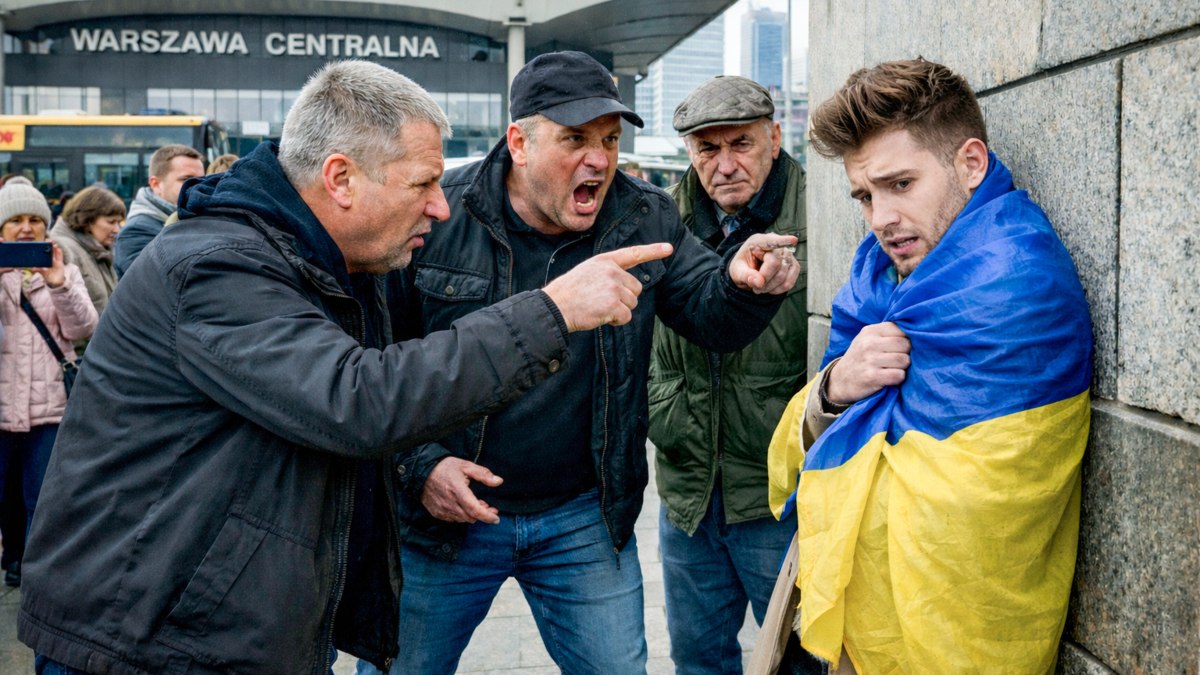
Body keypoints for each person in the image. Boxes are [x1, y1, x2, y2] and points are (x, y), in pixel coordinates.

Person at [18, 59, 674, 675]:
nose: (440, 205)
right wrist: (551, 312)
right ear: (340, 179)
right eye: (421, 184)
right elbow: (358, 398)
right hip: (148, 642)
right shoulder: (219, 266)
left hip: (220, 632)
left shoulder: (332, 264)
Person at [366, 51, 800, 675]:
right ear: (519, 142)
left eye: (609, 140)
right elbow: (373, 363)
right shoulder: (438, 214)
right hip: (444, 520)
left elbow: (710, 313)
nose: (598, 158)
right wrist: (420, 466)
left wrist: (743, 285)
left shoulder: (643, 214)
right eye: (575, 139)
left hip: (583, 518)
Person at [766, 57, 1093, 673]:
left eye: (900, 185)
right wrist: (835, 387)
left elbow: (973, 505)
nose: (880, 220)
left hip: (960, 639)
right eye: (865, 196)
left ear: (970, 164)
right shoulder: (878, 279)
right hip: (863, 633)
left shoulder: (1017, 283)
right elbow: (802, 441)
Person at [647, 75, 821, 675]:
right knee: (697, 658)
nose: (723, 166)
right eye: (707, 149)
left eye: (740, 144)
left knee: (800, 662)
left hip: (780, 496)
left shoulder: (820, 209)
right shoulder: (661, 218)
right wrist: (657, 409)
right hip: (688, 492)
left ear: (774, 137)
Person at [0, 178, 98, 593]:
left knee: (41, 495)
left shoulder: (65, 270)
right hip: (2, 409)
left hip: (49, 408)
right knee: (5, 495)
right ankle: (12, 554)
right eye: (15, 221)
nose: (26, 228)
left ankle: (31, 565)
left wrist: (59, 284)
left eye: (34, 220)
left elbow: (84, 328)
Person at [50, 186, 125, 352]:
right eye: (111, 222)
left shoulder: (97, 249)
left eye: (118, 223)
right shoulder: (66, 251)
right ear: (87, 221)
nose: (117, 230)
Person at [112, 143, 204, 277]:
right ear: (155, 184)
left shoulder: (195, 217)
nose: (198, 187)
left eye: (202, 180)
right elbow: (153, 281)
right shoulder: (136, 230)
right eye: (186, 179)